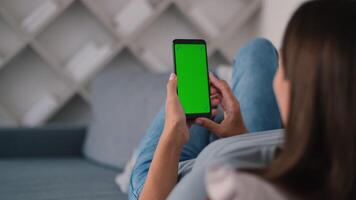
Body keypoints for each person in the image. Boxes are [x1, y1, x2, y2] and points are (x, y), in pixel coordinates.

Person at [129, 1, 356, 199]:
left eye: (284, 64)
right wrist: (240, 137)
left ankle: (210, 96)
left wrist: (173, 135)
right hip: (247, 145)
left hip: (176, 177)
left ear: (301, 88)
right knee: (256, 50)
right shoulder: (332, 160)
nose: (276, 79)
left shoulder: (232, 188)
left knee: (191, 93)